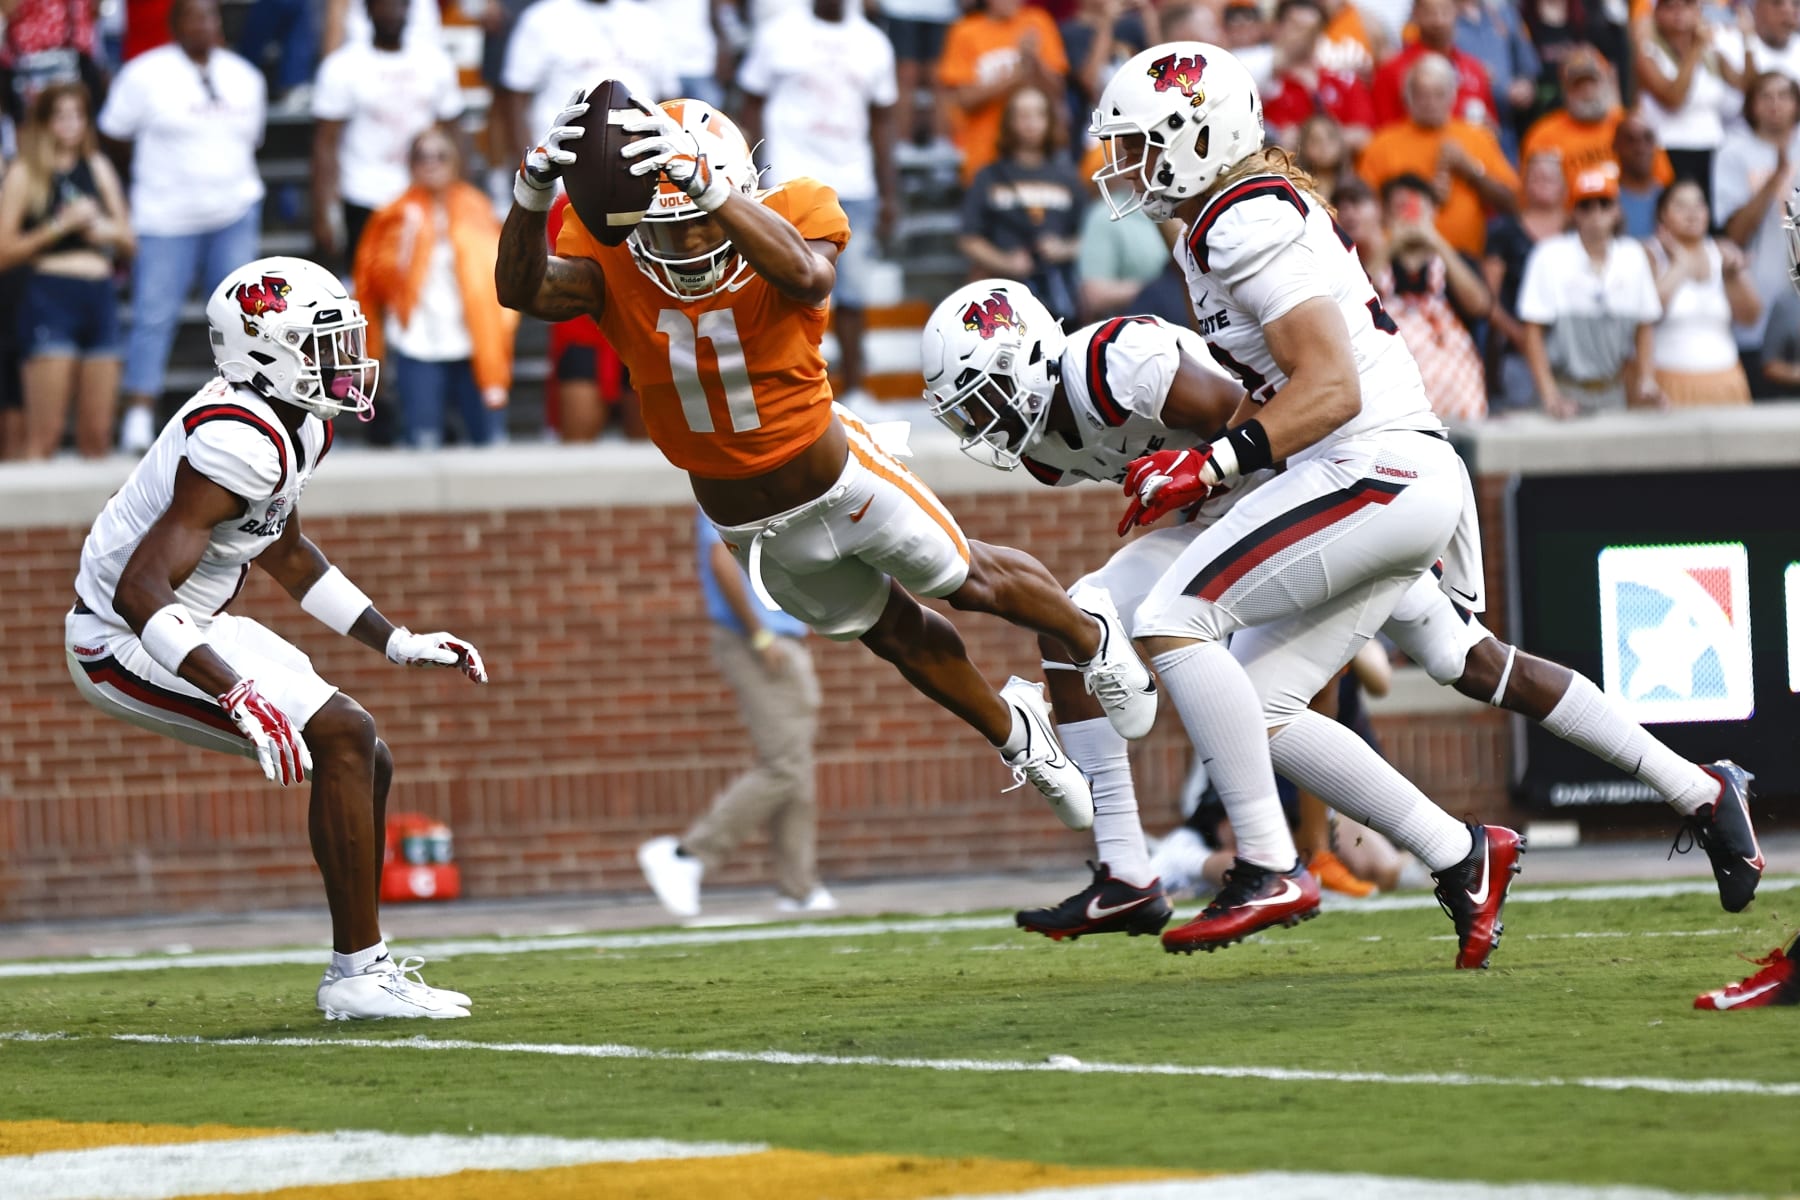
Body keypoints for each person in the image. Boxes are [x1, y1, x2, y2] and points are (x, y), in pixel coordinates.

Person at [495, 93, 1159, 828]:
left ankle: (1089, 634)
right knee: (895, 637)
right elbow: (519, 288)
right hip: (751, 529)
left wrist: (704, 188)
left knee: (966, 578)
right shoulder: (611, 259)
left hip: (839, 477)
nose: (684, 244)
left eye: (695, 220)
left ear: (731, 189)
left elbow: (811, 278)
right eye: (666, 228)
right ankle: (1019, 738)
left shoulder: (795, 211)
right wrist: (530, 193)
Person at [1075, 38, 1526, 967]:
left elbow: (1329, 388)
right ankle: (1462, 855)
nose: (1124, 167)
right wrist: (1216, 460)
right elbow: (1296, 392)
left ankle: (1272, 865)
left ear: (1196, 138)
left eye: (1141, 145)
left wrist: (1210, 467)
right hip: (1372, 468)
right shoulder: (1225, 219)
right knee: (1264, 701)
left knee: (1172, 619)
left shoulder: (1237, 222)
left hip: (1370, 465)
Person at [63, 255, 486, 1020]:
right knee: (346, 736)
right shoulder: (238, 441)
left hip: (193, 620)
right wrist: (233, 689)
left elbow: (285, 553)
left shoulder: (295, 428)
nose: (346, 361)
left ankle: (361, 967)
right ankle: (356, 975)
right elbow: (137, 590)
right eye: (323, 345)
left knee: (365, 752)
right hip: (122, 638)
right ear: (266, 353)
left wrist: (394, 641)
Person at [637, 510, 832, 919]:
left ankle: (798, 888)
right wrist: (760, 635)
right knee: (784, 766)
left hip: (780, 640)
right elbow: (722, 559)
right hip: (758, 642)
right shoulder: (725, 490)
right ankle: (688, 855)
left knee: (795, 767)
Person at [98, 0, 266, 455]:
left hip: (233, 212)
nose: (204, 24)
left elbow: (253, 139)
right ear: (176, 25)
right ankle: (138, 411)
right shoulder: (143, 74)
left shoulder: (245, 76)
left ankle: (246, 408)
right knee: (153, 317)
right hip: (164, 216)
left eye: (211, 16)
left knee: (242, 319)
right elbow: (112, 135)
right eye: (194, 16)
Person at [738, 0, 901, 412]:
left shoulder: (874, 42)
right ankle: (785, 390)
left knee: (851, 294)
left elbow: (883, 120)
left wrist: (889, 192)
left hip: (853, 184)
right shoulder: (777, 32)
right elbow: (751, 104)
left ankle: (855, 390)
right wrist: (754, 173)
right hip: (788, 181)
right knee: (782, 291)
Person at [354, 129, 518, 449]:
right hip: (419, 343)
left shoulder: (478, 208)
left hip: (475, 341)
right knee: (422, 443)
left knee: (489, 444)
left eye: (440, 156)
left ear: (455, 161)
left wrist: (503, 329)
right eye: (422, 157)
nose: (431, 164)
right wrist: (369, 355)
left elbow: (503, 278)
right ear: (410, 164)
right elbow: (369, 287)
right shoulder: (392, 215)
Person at [0, 81, 131, 459]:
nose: (71, 124)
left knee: (98, 435)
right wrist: (59, 226)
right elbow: (5, 250)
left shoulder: (98, 166)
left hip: (99, 293)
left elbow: (129, 240)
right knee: (46, 433)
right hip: (50, 293)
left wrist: (104, 230)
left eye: (78, 115)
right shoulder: (25, 173)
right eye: (61, 116)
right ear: (43, 122)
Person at [311, 0, 464, 267]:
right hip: (364, 194)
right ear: (368, 10)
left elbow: (455, 133)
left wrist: (460, 196)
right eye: (384, 5)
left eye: (399, 5)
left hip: (422, 194)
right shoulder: (344, 66)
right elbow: (325, 143)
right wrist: (324, 210)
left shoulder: (434, 62)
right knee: (367, 288)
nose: (392, 12)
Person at [1517, 168, 1664, 416]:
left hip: (1612, 388)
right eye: (1586, 206)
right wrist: (1550, 395)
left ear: (1617, 210)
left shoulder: (1633, 256)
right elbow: (1532, 332)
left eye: (1604, 204)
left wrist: (1646, 380)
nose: (1596, 214)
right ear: (1574, 212)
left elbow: (1644, 324)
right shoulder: (1549, 255)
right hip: (1565, 388)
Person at [498, 0, 677, 192]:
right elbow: (515, 100)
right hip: (562, 181)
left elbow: (666, 101)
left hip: (640, 177)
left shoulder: (648, 20)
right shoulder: (542, 19)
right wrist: (531, 171)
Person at [1359, 52, 1519, 258]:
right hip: (1401, 259)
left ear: (1453, 95)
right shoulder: (1381, 144)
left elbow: (1513, 203)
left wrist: (1471, 172)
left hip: (1467, 259)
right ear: (1407, 97)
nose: (1430, 102)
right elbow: (1365, 209)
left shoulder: (1478, 137)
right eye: (1422, 94)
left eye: (1438, 93)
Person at [1367, 172, 1491, 423]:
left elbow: (1479, 305)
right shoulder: (1377, 263)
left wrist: (1435, 240)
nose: (1408, 217)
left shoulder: (1455, 261)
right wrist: (1391, 245)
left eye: (1414, 208)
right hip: (1397, 387)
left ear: (1432, 211)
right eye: (1399, 208)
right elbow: (1359, 302)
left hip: (1455, 390)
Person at [959, 83, 1085, 323]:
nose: (1031, 123)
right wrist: (1005, 263)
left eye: (1039, 114)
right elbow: (969, 238)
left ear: (1050, 120)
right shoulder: (988, 176)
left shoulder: (1068, 177)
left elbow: (1089, 235)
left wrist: (1063, 249)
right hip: (998, 294)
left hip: (1057, 291)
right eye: (1023, 115)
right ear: (1009, 121)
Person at [1715, 70, 1800, 392]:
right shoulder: (1733, 153)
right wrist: (1775, 180)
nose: (1775, 104)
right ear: (1751, 106)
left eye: (1784, 95)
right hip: (1756, 305)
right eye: (1765, 96)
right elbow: (1733, 235)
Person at [1646, 178, 1758, 407]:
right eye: (1681, 206)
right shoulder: (1649, 254)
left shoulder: (1722, 252)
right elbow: (1648, 311)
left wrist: (1734, 276)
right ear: (1662, 215)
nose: (1692, 213)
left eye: (1699, 205)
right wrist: (1679, 265)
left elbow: (1751, 318)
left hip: (1725, 380)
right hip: (1668, 383)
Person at [937, 0, 1069, 186]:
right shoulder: (965, 30)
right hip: (984, 156)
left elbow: (1057, 90)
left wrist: (1034, 59)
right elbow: (963, 100)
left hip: (1036, 157)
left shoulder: (1037, 22)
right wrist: (1014, 77)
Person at [1522, 48, 1674, 196]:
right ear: (1565, 90)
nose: (1587, 91)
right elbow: (1530, 192)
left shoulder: (1632, 127)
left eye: (1593, 82)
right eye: (1578, 85)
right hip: (1571, 215)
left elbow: (1662, 182)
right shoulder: (1544, 134)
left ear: (1608, 81)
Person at [1483, 149, 1568, 411]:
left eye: (1550, 177)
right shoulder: (1503, 231)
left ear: (1564, 186)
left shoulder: (1578, 227)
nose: (1543, 181)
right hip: (1518, 350)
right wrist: (1521, 336)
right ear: (1524, 183)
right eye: (1536, 176)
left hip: (1573, 350)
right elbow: (1488, 299)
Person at [1633, 0, 1739, 202]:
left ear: (1698, 11)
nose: (1678, 12)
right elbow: (1674, 99)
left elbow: (1743, 84)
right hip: (1669, 149)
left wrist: (1748, 39)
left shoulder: (1710, 52)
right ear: (1657, 13)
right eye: (1670, 6)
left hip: (1713, 147)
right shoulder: (1648, 54)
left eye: (1687, 5)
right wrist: (1695, 49)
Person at [1261, 0, 1376, 155]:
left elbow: (1364, 137)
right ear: (1277, 28)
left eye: (1312, 29)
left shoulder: (1342, 79)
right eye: (1297, 27)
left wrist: (1309, 138)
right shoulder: (1263, 81)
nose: (1305, 36)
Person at [1371, 0, 1497, 130]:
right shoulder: (1391, 71)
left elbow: (1492, 128)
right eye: (1429, 12)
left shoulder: (1474, 68)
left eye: (1445, 11)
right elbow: (1384, 134)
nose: (1439, 20)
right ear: (1415, 13)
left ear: (1456, 11)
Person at [1616, 113, 1667, 236]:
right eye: (1630, 140)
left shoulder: (1669, 198)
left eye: (1647, 138)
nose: (1640, 147)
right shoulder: (1605, 201)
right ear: (1616, 146)